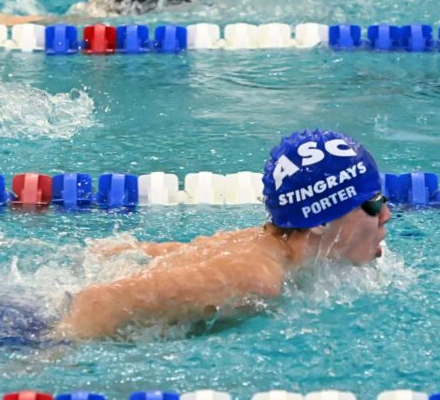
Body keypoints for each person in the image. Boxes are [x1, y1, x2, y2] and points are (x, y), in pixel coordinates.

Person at [57, 129, 391, 338]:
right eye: (373, 205)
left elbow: (146, 254)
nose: (386, 216)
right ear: (320, 220)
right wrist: (47, 357)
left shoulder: (265, 244)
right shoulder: (255, 280)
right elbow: (97, 302)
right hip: (35, 325)